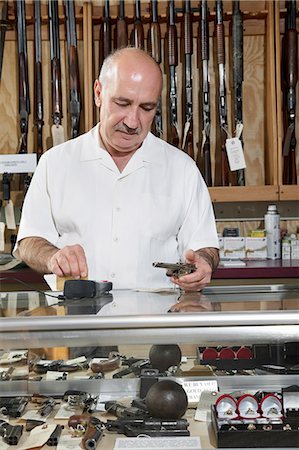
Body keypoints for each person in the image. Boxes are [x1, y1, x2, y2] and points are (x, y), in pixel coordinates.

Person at [15, 47, 219, 291]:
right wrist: (53, 256)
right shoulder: (55, 163)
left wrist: (204, 262)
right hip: (74, 320)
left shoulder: (182, 169)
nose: (133, 122)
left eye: (146, 108)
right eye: (122, 103)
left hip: (157, 320)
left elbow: (205, 245)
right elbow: (29, 241)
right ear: (98, 93)